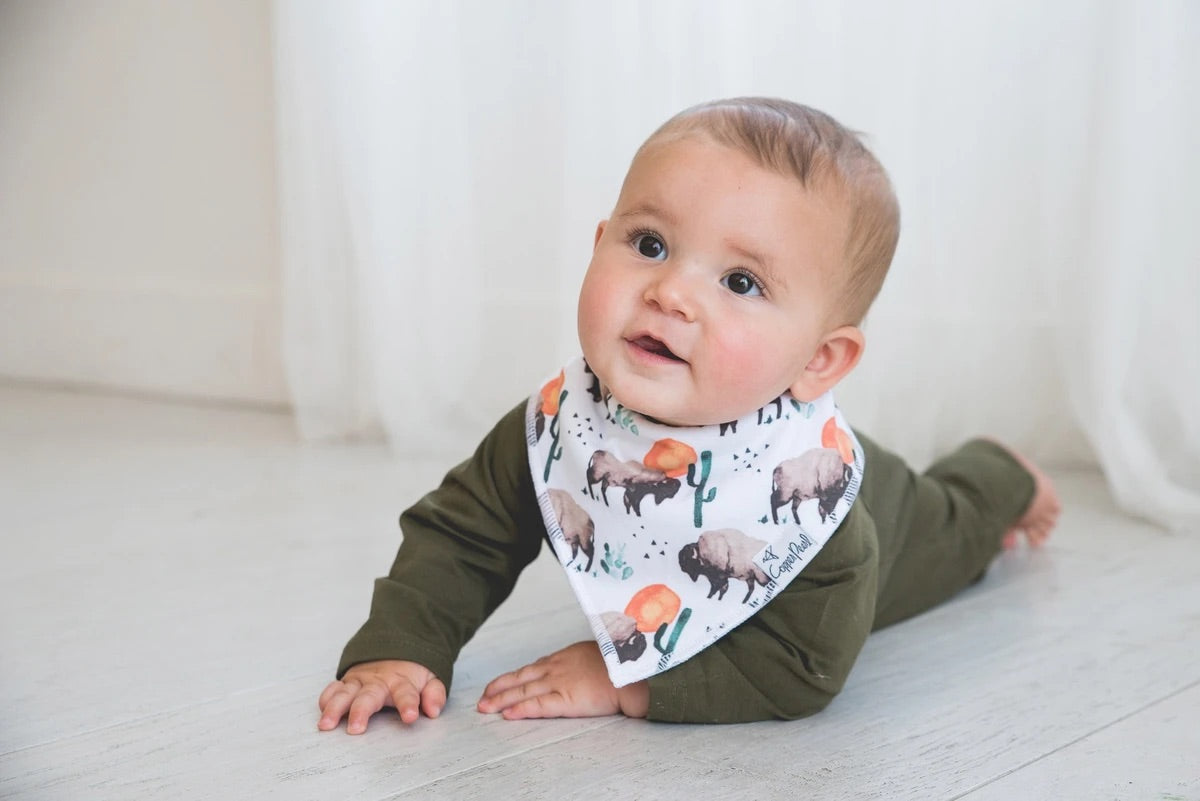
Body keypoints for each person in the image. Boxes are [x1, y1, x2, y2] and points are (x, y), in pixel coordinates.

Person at [316, 97, 1061, 733]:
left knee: (958, 526)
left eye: (740, 281)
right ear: (598, 243)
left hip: (899, 521)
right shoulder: (558, 425)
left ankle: (1000, 472)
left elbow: (805, 665)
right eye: (649, 244)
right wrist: (403, 644)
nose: (671, 291)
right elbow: (462, 533)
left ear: (818, 361)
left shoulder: (828, 523)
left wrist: (631, 685)